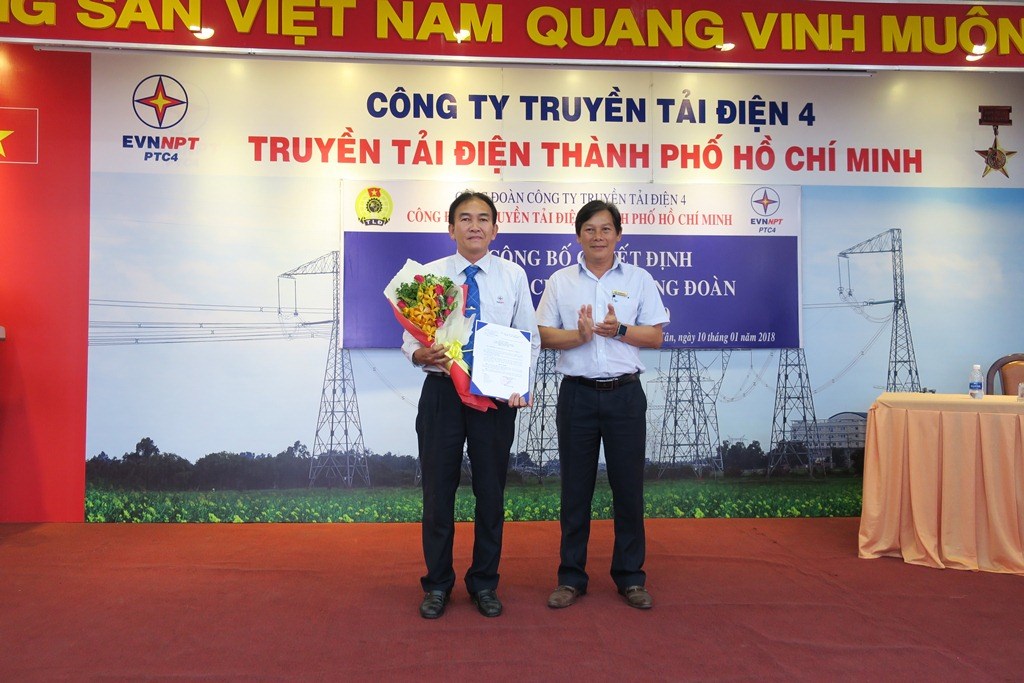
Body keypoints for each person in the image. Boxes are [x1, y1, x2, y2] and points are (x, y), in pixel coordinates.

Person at [402, 190, 540, 619]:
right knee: (437, 493)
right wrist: (419, 354)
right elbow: (409, 339)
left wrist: (521, 385)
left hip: (494, 397)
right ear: (451, 229)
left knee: (491, 494)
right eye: (465, 218)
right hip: (441, 394)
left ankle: (484, 583)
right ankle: (437, 584)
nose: (474, 226)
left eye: (483, 219)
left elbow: (528, 338)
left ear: (495, 229)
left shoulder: (513, 276)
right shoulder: (430, 276)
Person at [536, 199, 668, 610]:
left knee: (628, 490)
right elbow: (542, 335)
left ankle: (630, 577)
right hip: (576, 395)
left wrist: (620, 330)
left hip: (625, 395)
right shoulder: (560, 281)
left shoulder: (640, 279)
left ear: (618, 236)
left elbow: (656, 336)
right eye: (589, 229)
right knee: (575, 490)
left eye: (605, 229)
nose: (598, 236)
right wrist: (579, 336)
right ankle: (571, 577)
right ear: (578, 236)